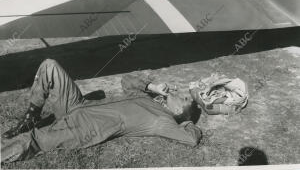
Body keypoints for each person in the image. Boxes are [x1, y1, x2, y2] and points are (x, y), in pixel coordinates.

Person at [1, 59, 202, 163]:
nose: (181, 92)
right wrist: (153, 87)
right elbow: (127, 80)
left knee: (32, 140)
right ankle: (29, 118)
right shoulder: (146, 98)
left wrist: (186, 123)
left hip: (87, 127)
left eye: (184, 99)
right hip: (77, 105)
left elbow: (191, 139)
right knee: (50, 66)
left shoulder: (161, 120)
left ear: (178, 111)